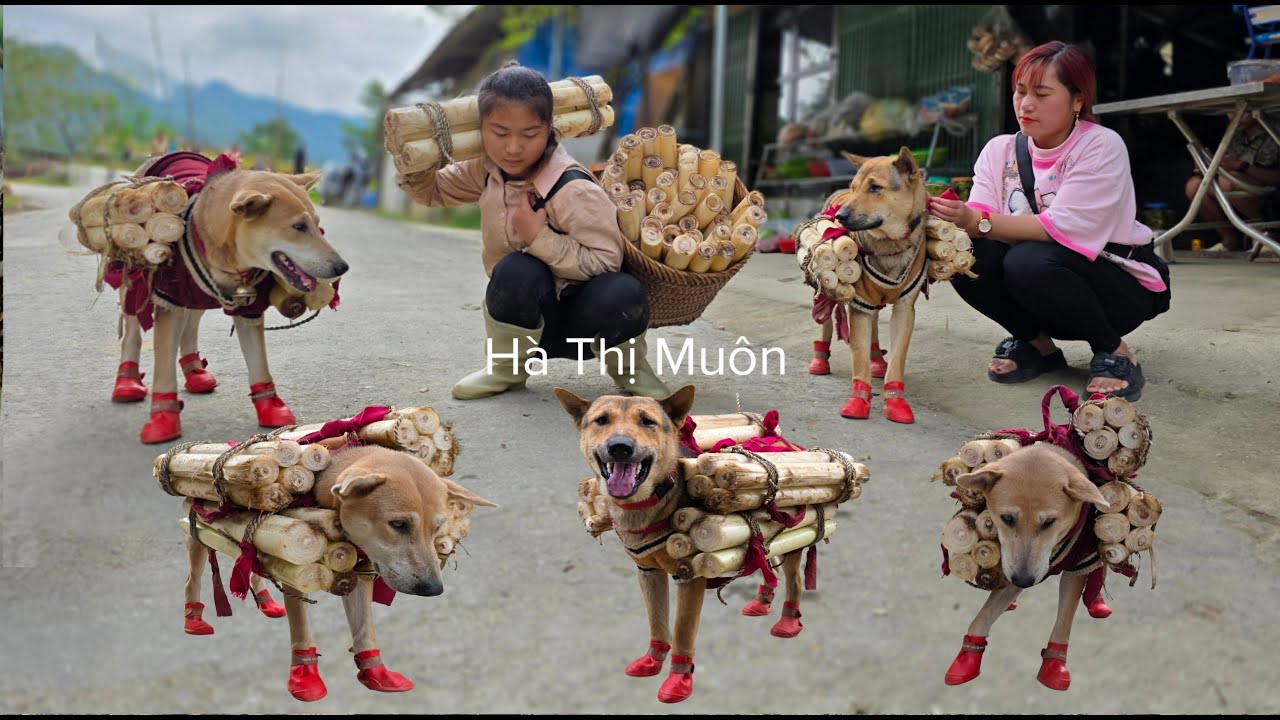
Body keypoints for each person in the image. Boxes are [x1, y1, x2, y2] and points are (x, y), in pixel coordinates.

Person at [395, 62, 669, 400]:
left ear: (549, 129)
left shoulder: (573, 188)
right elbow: (432, 191)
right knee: (514, 270)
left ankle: (632, 372)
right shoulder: (486, 170)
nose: (513, 148)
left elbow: (606, 262)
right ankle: (505, 371)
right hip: (526, 323)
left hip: (588, 326)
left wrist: (539, 237)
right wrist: (413, 157)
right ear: (481, 130)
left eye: (529, 135)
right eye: (499, 133)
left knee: (623, 291)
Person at [927, 41, 1171, 402]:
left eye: (1041, 94)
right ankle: (1037, 344)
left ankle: (1113, 348)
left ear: (1077, 101)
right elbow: (976, 221)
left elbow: (1060, 227)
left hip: (1115, 288)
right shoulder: (999, 150)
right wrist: (942, 225)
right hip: (1039, 288)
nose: (1026, 104)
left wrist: (976, 221)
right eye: (1020, 91)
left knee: (1027, 260)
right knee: (961, 254)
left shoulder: (1101, 146)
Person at [1184, 109, 1280, 253]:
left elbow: (1276, 177)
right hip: (1241, 188)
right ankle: (1230, 240)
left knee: (1228, 182)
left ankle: (1271, 235)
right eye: (1230, 111)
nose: (1235, 117)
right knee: (1194, 186)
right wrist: (1210, 166)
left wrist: (1243, 166)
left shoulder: (1275, 129)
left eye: (1243, 112)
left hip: (1271, 193)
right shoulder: (1235, 132)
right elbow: (1228, 163)